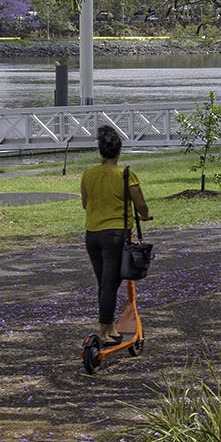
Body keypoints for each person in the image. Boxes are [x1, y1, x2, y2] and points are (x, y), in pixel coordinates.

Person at [79, 125, 150, 347]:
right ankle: (103, 331)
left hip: (93, 235)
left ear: (101, 151)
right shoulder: (126, 175)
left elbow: (84, 204)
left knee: (104, 282)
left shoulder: (88, 175)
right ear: (119, 152)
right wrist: (146, 216)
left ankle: (110, 328)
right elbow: (140, 204)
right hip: (115, 236)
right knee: (110, 284)